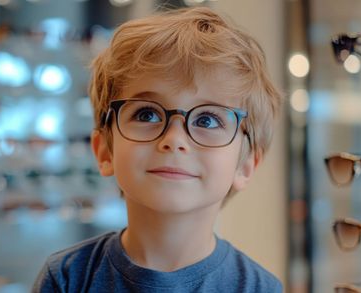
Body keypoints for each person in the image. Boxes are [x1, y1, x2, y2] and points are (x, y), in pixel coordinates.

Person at [33, 6, 282, 293]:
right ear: (104, 151)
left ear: (246, 165)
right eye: (147, 114)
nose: (174, 139)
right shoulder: (67, 278)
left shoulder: (259, 288)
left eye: (207, 119)